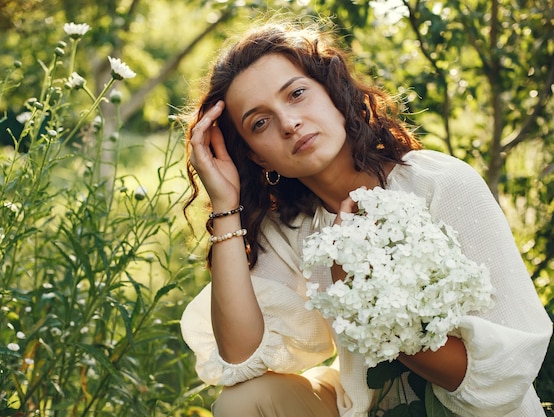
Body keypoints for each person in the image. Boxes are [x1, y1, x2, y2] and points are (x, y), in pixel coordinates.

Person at [179, 18, 552, 417]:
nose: (289, 124)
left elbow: (499, 379)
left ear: (333, 93)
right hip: (367, 406)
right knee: (240, 404)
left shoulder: (438, 183)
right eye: (260, 122)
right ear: (256, 155)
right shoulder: (292, 225)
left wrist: (358, 291)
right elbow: (239, 353)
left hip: (479, 410)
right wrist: (225, 204)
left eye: (297, 94)